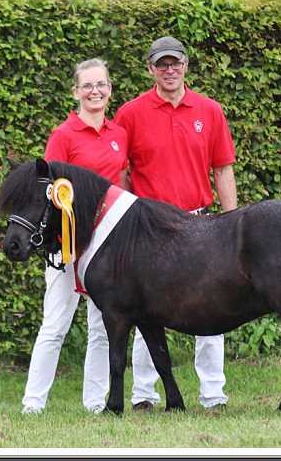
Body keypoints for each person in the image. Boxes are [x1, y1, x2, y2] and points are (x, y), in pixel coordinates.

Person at [113, 36, 237, 411]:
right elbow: (120, 172)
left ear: (186, 65)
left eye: (175, 63)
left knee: (214, 310)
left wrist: (231, 222)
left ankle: (213, 396)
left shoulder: (209, 110)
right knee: (144, 311)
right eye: (161, 64)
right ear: (149, 68)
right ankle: (144, 395)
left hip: (202, 225)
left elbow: (223, 168)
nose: (169, 70)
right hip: (151, 230)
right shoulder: (130, 114)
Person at [22, 58, 129, 415]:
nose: (94, 91)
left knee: (102, 326)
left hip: (107, 247)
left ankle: (96, 404)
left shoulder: (119, 135)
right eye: (87, 86)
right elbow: (50, 191)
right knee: (55, 324)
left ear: (110, 90)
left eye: (101, 85)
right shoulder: (63, 135)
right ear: (76, 92)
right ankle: (33, 404)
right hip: (67, 244)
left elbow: (121, 186)